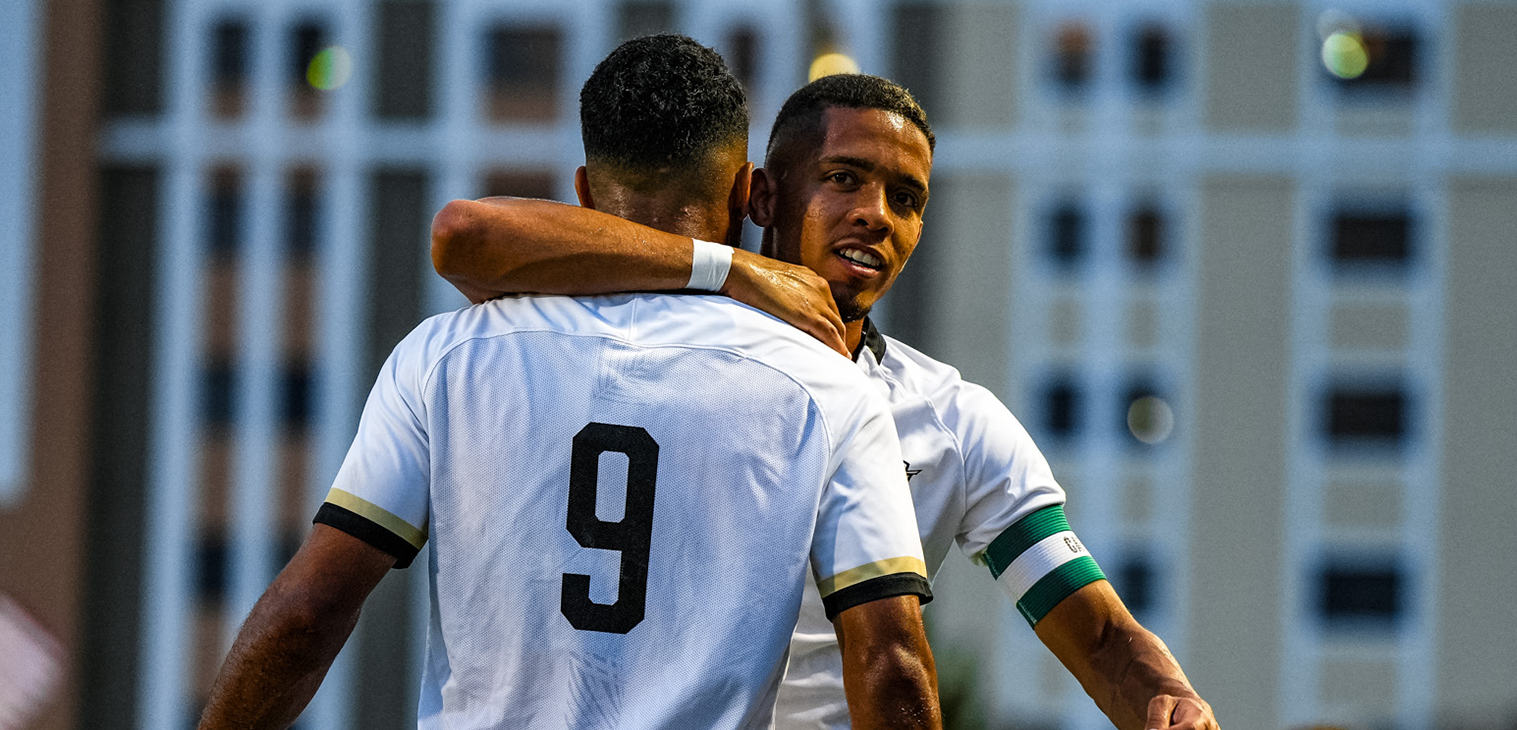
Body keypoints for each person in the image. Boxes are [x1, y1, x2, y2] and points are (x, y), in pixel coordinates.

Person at [429, 73, 1220, 730]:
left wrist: (1174, 705)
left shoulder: (956, 421)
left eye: (906, 198)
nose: (877, 213)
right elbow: (466, 236)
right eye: (844, 179)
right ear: (763, 199)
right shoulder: (657, 364)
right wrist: (729, 271)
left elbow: (1104, 636)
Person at [196, 37, 944, 730]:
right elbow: (891, 665)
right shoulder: (832, 388)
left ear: (583, 192)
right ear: (749, 192)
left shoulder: (446, 356)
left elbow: (307, 613)